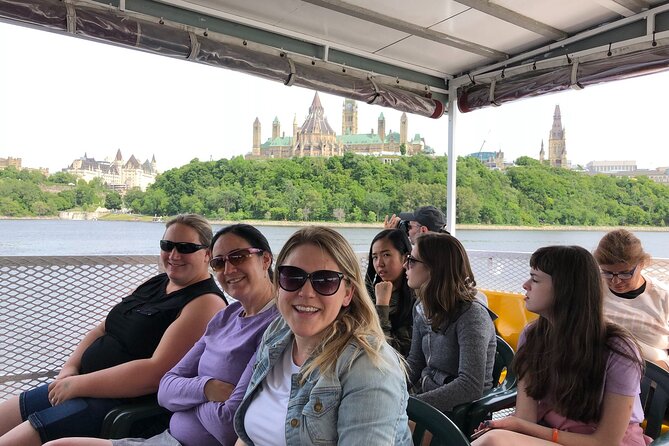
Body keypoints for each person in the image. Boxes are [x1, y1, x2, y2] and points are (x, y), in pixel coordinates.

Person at [0, 214, 228, 446]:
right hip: (79, 383)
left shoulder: (205, 303)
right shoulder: (156, 283)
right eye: (167, 245)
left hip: (116, 403)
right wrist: (70, 368)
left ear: (207, 254)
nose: (174, 255)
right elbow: (102, 329)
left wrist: (77, 384)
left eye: (186, 247)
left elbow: (155, 373)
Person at [45, 224, 280, 446]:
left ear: (265, 259)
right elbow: (166, 390)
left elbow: (229, 425)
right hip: (165, 438)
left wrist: (186, 402)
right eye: (219, 262)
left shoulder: (275, 327)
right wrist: (206, 389)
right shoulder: (225, 317)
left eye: (238, 257)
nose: (228, 269)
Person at [233, 226, 412, 445]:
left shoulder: (369, 368)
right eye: (292, 277)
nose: (306, 293)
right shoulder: (277, 332)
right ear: (277, 285)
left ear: (348, 293)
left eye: (325, 281)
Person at [472, 245, 651, 446]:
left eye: (535, 279)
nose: (525, 285)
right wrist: (512, 427)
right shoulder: (533, 336)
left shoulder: (618, 349)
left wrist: (520, 429)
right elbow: (525, 417)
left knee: (494, 441)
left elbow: (606, 441)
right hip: (549, 435)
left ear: (565, 288)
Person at [405, 232, 496, 414]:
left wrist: (410, 406)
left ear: (434, 268)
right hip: (429, 398)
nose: (405, 265)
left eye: (412, 260)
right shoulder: (422, 307)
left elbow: (469, 385)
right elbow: (415, 363)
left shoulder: (472, 316)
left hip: (460, 412)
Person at [594, 228, 669, 371]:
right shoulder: (593, 289)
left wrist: (661, 370)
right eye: (608, 273)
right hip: (600, 367)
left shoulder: (663, 296)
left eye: (624, 274)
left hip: (651, 374)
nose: (615, 281)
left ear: (642, 264)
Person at [365, 228, 415, 357]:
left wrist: (382, 306)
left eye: (386, 255)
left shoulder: (416, 299)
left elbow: (391, 354)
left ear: (405, 258)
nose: (379, 263)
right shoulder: (369, 293)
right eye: (375, 257)